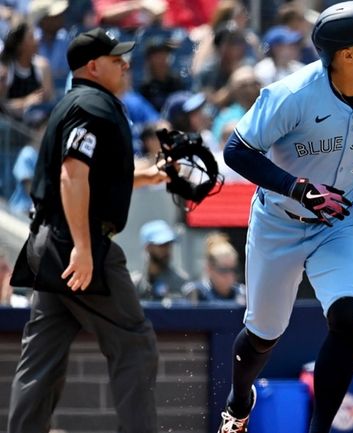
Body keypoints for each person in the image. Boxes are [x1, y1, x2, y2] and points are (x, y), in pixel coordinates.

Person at [218, 2, 353, 432]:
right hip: (281, 218)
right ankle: (237, 404)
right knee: (263, 335)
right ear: (346, 54)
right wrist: (298, 188)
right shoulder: (291, 94)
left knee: (348, 319)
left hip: (341, 217)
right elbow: (236, 151)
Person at [7, 27, 167, 433]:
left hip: (47, 241)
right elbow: (72, 174)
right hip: (74, 242)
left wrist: (142, 177)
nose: (126, 64)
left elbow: (88, 174)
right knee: (134, 342)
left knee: (42, 357)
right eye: (116, 59)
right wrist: (82, 247)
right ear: (93, 66)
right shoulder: (93, 105)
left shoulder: (73, 102)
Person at [133, 219, 189, 301]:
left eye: (169, 245)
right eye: (161, 245)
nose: (167, 250)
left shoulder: (181, 283)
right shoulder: (134, 284)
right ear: (148, 247)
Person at [182, 232, 245, 304]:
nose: (230, 275)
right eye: (224, 270)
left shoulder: (242, 294)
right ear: (209, 269)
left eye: (234, 270)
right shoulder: (196, 293)